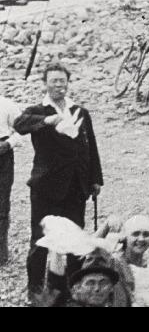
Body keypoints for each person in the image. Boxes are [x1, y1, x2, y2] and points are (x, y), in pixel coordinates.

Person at [14, 62, 103, 296]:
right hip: (46, 187)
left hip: (76, 186)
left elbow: (90, 147)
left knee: (75, 237)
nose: (59, 85)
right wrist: (47, 122)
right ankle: (34, 289)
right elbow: (20, 125)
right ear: (45, 83)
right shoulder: (38, 110)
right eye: (54, 81)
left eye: (62, 81)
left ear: (67, 83)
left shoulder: (79, 111)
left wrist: (95, 179)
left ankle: (74, 286)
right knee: (41, 240)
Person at [110, 215, 149, 307]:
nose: (141, 239)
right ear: (125, 238)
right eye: (135, 234)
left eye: (146, 234)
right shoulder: (115, 263)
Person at [0, 94, 22, 265]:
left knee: (2, 204)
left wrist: (8, 144)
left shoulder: (7, 104)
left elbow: (22, 129)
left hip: (3, 156)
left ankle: (1, 252)